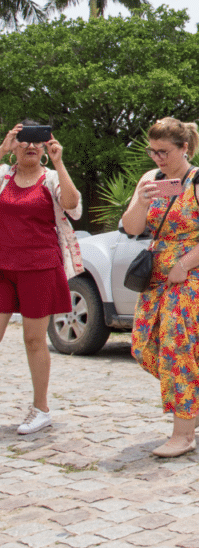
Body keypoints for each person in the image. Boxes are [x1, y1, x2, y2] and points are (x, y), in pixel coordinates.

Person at [121, 118, 199, 458]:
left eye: (164, 152)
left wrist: (184, 266)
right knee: (143, 347)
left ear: (184, 148)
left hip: (194, 272)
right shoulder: (151, 180)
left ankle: (183, 433)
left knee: (175, 343)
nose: (157, 159)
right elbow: (131, 227)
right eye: (152, 152)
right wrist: (140, 201)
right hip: (157, 271)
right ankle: (196, 392)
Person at [0, 121, 83, 435]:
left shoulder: (50, 178)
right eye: (23, 141)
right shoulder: (3, 176)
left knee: (34, 340)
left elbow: (72, 205)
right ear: (15, 145)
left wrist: (60, 163)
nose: (30, 146)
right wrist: (2, 149)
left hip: (39, 266)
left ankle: (41, 409)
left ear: (46, 148)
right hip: (2, 268)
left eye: (37, 141)